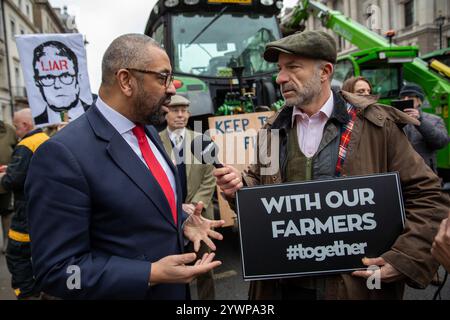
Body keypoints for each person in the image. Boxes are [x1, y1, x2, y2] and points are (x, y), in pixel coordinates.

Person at [214, 30, 450, 300]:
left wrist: (404, 258)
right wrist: (239, 190)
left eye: (292, 68)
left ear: (324, 71)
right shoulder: (272, 130)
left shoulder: (376, 125)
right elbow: (261, 191)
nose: (280, 78)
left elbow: (428, 197)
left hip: (354, 289)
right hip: (283, 287)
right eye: (280, 69)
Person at [25, 34, 225, 300]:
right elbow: (57, 272)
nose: (172, 89)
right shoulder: (61, 154)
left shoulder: (150, 132)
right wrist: (149, 274)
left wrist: (180, 223)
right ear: (126, 81)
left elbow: (139, 210)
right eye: (162, 77)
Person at [160, 94, 217, 300]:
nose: (181, 115)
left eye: (184, 110)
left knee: (205, 267)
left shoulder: (202, 140)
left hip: (199, 214)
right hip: (168, 215)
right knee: (172, 269)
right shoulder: (155, 142)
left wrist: (193, 206)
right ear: (165, 113)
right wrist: (177, 207)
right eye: (175, 110)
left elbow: (210, 178)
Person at [0, 109, 49, 299]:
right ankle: (45, 289)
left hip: (26, 211)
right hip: (43, 209)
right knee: (39, 253)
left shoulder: (26, 144)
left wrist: (5, 176)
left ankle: (28, 293)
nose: (15, 130)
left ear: (25, 126)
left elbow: (13, 180)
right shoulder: (45, 139)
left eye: (16, 125)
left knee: (16, 255)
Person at [32, 41, 91, 126]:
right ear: (37, 82)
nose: (57, 85)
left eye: (65, 76)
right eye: (48, 78)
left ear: (78, 78)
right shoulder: (38, 124)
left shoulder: (95, 115)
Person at [399, 83, 450, 174]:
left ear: (419, 101)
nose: (405, 100)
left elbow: (441, 142)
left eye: (410, 97)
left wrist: (420, 121)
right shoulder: (394, 120)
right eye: (403, 97)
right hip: (401, 172)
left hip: (425, 173)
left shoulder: (435, 120)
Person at [0, 119, 17, 254]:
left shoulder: (10, 130)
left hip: (5, 181)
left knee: (7, 212)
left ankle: (7, 241)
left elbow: (18, 150)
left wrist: (11, 168)